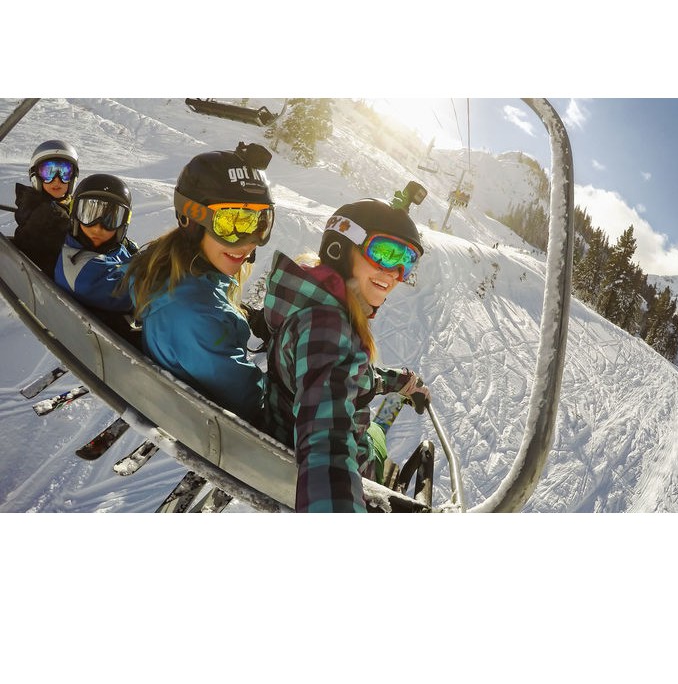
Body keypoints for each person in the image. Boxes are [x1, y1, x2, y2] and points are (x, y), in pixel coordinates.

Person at [260, 194, 432, 512]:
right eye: (384, 253)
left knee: (376, 430)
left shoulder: (312, 303)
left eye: (407, 262)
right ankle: (383, 468)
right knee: (379, 438)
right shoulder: (327, 328)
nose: (395, 273)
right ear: (339, 247)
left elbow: (342, 372)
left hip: (288, 422)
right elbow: (327, 442)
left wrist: (402, 381)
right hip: (351, 461)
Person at [124, 144, 274, 427]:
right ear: (191, 219)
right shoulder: (195, 314)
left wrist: (248, 316)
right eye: (230, 222)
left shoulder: (175, 273)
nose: (249, 241)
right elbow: (250, 402)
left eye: (260, 222)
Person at [54, 173, 140, 346]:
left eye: (111, 219)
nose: (98, 227)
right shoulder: (79, 272)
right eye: (89, 214)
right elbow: (138, 293)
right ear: (75, 214)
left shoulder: (108, 247)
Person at [13, 140, 79, 277]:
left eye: (65, 172)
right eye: (48, 172)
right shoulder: (47, 215)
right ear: (35, 175)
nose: (57, 179)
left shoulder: (66, 205)